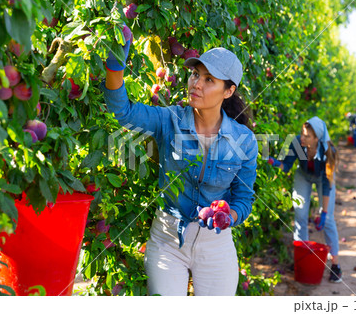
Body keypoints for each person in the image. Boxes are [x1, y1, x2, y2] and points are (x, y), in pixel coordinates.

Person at [101, 30, 258, 296]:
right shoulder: (169, 120)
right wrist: (115, 65)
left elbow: (244, 198)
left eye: (209, 80)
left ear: (228, 91)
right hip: (167, 239)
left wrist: (227, 216)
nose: (196, 83)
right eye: (195, 74)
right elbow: (123, 112)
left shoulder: (244, 140)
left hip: (215, 244)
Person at [268, 117, 342, 283]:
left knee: (328, 220)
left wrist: (323, 212)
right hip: (304, 175)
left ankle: (335, 265)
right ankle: (302, 259)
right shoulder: (297, 143)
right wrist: (273, 162)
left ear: (317, 139)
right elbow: (286, 166)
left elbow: (326, 182)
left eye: (307, 136)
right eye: (302, 134)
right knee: (300, 215)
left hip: (323, 178)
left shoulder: (327, 151)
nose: (302, 138)